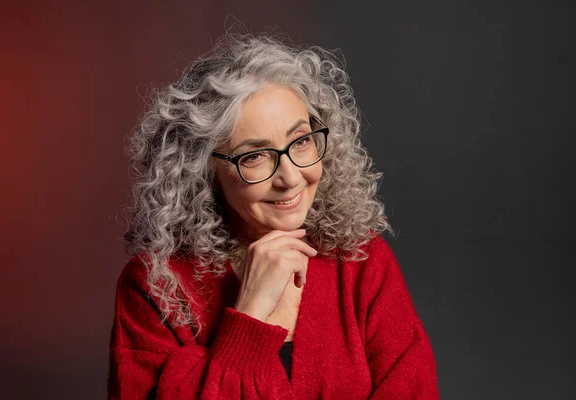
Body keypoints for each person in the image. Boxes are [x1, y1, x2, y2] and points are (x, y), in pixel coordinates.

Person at [108, 32, 439, 399]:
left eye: (301, 142)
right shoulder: (155, 287)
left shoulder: (362, 262)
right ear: (202, 171)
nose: (291, 177)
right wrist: (249, 315)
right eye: (254, 156)